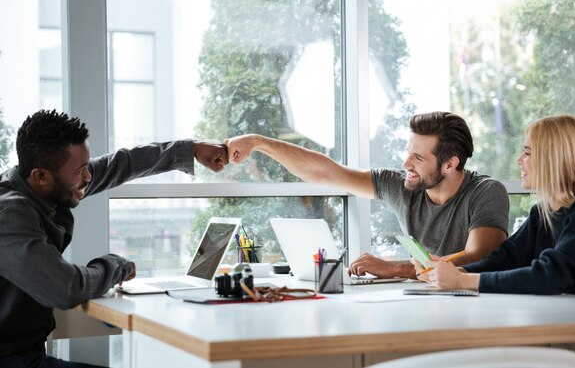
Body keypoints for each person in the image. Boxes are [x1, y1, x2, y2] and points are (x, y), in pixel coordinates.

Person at [0, 109, 228, 367]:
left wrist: (192, 149)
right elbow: (67, 288)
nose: (88, 177)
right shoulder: (10, 214)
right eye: (81, 170)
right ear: (41, 176)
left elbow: (120, 164)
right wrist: (114, 266)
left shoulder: (46, 184)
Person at [226, 111, 509, 279]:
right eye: (408, 152)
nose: (406, 164)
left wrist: (395, 268)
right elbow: (325, 172)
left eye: (418, 159)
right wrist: (258, 142)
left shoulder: (486, 192)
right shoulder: (402, 185)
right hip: (427, 303)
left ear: (450, 164)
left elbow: (480, 257)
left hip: (475, 308)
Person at [418, 114, 575, 301]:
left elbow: (552, 275)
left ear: (553, 159)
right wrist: (455, 272)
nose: (519, 160)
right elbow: (505, 260)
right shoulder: (543, 213)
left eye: (527, 152)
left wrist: (463, 282)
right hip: (571, 323)